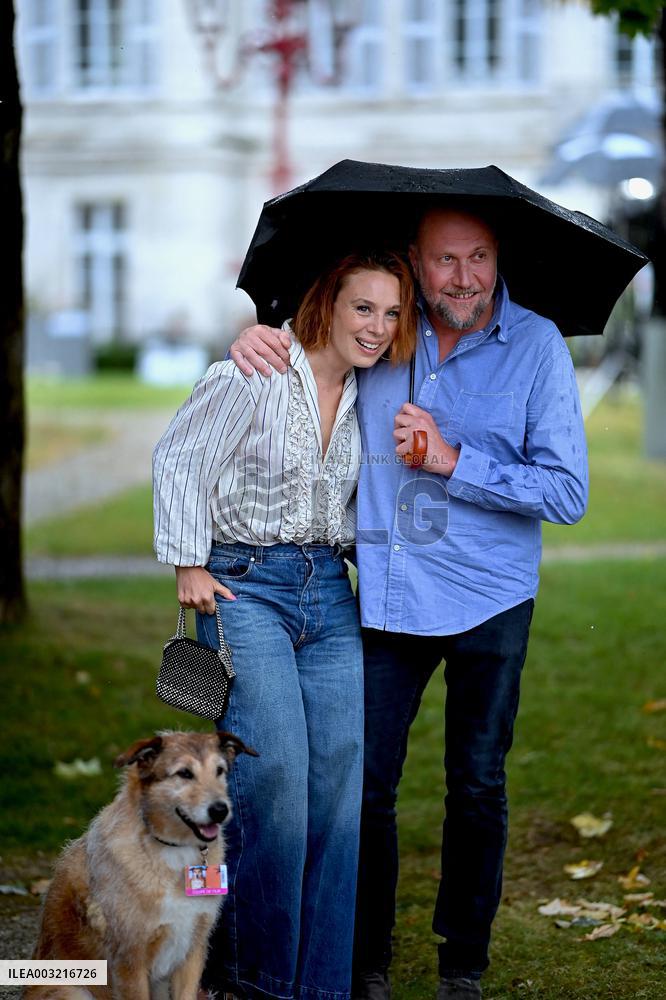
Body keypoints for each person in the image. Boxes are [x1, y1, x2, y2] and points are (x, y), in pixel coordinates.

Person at [228, 207, 589, 1000]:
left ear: (499, 261)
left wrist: (456, 460)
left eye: (479, 258)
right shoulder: (383, 331)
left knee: (477, 784)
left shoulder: (537, 346)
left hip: (492, 596)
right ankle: (366, 962)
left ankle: (462, 963)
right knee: (366, 787)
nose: (463, 277)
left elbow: (567, 492)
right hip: (389, 594)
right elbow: (312, 360)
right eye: (444, 260)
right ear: (416, 264)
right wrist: (258, 340)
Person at [152, 250, 417, 1000]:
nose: (377, 326)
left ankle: (322, 985)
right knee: (277, 784)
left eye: (392, 313)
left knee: (338, 790)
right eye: (363, 307)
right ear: (327, 302)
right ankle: (252, 979)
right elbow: (178, 457)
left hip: (329, 594)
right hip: (246, 588)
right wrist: (186, 562)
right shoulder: (254, 371)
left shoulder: (374, 393)